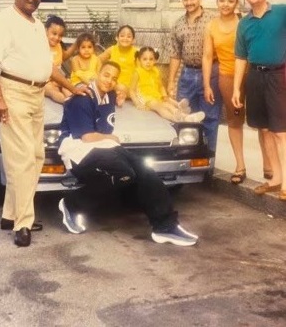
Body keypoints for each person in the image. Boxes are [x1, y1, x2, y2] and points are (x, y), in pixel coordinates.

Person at [0, 0, 87, 247]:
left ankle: (9, 214)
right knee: (23, 160)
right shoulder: (4, 20)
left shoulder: (38, 25)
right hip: (13, 93)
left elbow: (49, 66)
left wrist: (72, 87)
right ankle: (23, 223)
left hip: (36, 95)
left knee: (35, 156)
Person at [57, 61, 199, 246]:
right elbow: (86, 137)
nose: (109, 81)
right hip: (78, 150)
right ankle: (72, 204)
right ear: (97, 73)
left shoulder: (109, 96)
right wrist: (111, 137)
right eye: (106, 75)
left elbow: (127, 93)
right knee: (124, 174)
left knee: (144, 170)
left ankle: (165, 226)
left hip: (104, 146)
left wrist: (122, 92)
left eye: (114, 78)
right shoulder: (82, 98)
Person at [203, 0, 272, 184]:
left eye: (230, 0)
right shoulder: (211, 26)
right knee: (235, 121)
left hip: (253, 76)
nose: (226, 4)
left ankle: (268, 164)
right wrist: (207, 84)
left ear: (236, 4)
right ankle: (240, 166)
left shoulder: (245, 22)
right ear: (217, 2)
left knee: (261, 121)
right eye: (222, 0)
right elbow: (207, 56)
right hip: (227, 77)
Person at [232, 0, 286, 200]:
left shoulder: (282, 12)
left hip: (278, 76)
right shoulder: (244, 24)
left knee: (281, 131)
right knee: (264, 130)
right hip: (254, 77)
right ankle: (275, 179)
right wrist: (237, 88)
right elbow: (240, 58)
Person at [168, 0, 222, 154]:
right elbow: (175, 55)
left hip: (211, 73)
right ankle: (185, 154)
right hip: (187, 75)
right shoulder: (178, 24)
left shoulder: (214, 20)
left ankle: (208, 156)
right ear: (182, 0)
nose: (189, 2)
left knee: (210, 117)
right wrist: (171, 82)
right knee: (182, 116)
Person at [129, 46, 205, 123]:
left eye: (151, 59)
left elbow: (161, 86)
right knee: (160, 107)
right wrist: (137, 103)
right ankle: (174, 118)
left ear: (155, 60)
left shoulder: (155, 71)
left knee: (168, 105)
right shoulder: (137, 72)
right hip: (145, 98)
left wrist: (164, 95)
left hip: (156, 96)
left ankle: (186, 117)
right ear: (139, 60)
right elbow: (131, 90)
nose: (148, 62)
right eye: (145, 59)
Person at [98, 25, 138, 106]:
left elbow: (141, 70)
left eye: (129, 36)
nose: (125, 38)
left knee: (123, 88)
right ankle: (117, 95)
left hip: (130, 86)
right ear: (117, 38)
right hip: (114, 82)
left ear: (133, 40)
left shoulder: (136, 52)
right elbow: (98, 60)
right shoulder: (112, 49)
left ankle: (118, 96)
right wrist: (99, 72)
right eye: (122, 35)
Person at [44, 15, 76, 104]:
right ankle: (66, 102)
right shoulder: (41, 45)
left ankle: (74, 101)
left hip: (59, 78)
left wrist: (76, 45)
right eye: (54, 34)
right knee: (51, 91)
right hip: (45, 81)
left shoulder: (58, 46)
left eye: (60, 35)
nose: (57, 38)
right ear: (46, 30)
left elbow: (63, 57)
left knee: (66, 86)